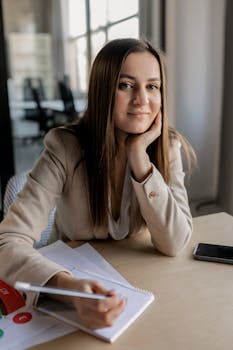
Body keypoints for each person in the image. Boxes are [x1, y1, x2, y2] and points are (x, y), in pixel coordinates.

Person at [0, 38, 196, 329]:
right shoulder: (65, 147)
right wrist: (67, 287)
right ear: (103, 90)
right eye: (126, 85)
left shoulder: (167, 146)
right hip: (75, 289)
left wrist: (139, 158)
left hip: (143, 286)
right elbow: (7, 242)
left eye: (152, 86)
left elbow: (175, 242)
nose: (142, 99)